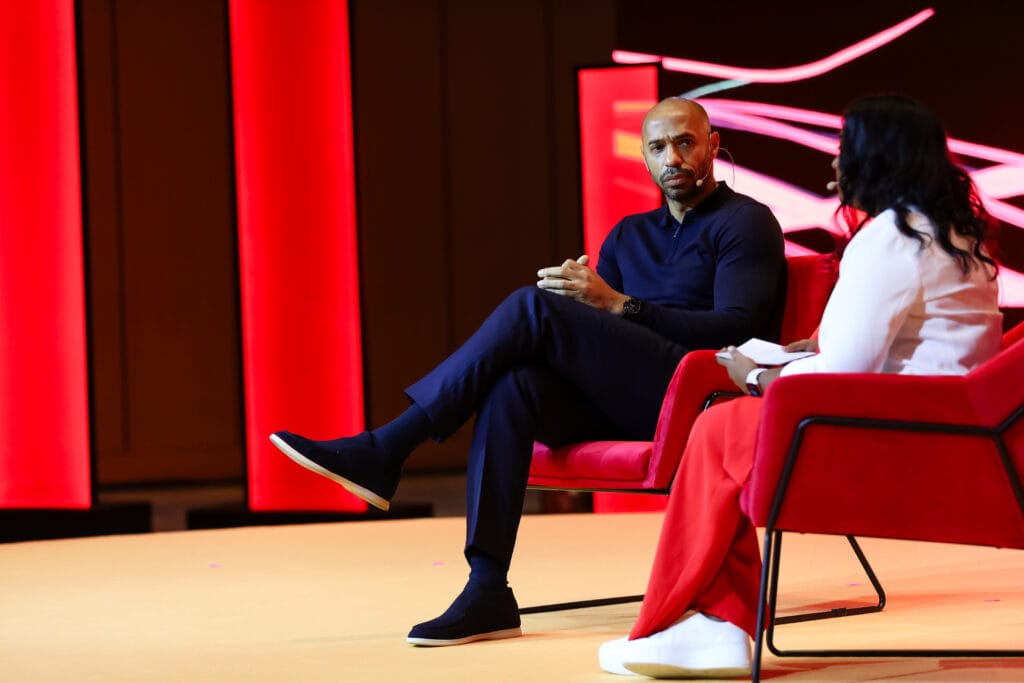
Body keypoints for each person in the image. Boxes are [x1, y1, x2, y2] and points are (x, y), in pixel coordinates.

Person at [270, 98, 787, 647]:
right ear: (644, 157)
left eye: (684, 142)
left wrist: (620, 305)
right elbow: (605, 334)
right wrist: (583, 302)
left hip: (701, 396)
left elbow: (738, 331)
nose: (672, 158)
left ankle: (389, 447)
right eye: (658, 147)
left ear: (712, 145)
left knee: (530, 307)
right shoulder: (628, 235)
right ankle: (487, 586)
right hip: (630, 397)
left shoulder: (745, 222)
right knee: (513, 385)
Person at [598, 93, 1003, 679]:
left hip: (897, 439)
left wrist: (758, 375)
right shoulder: (953, 234)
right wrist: (797, 355)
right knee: (727, 427)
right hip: (944, 429)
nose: (835, 164)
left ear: (878, 158)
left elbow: (846, 371)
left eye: (845, 149)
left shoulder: (892, 237)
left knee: (718, 426)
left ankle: (704, 621)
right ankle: (717, 619)